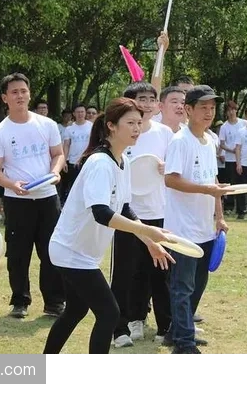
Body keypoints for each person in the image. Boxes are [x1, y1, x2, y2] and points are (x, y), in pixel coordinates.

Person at [43, 97, 175, 354]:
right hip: (70, 251)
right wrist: (146, 230)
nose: (137, 128)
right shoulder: (100, 163)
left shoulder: (122, 160)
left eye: (139, 123)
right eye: (130, 123)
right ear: (112, 126)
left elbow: (124, 208)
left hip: (83, 253)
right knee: (109, 313)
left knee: (76, 310)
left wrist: (149, 241)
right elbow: (102, 213)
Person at [0, 73, 66, 318]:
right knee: (18, 254)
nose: (20, 96)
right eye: (14, 92)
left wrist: (55, 172)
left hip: (47, 197)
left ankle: (54, 301)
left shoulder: (47, 125)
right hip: (17, 200)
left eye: (23, 91)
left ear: (29, 94)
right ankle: (20, 300)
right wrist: (11, 184)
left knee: (50, 250)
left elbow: (58, 154)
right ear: (5, 98)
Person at [164, 85, 231, 353]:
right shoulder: (180, 141)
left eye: (212, 107)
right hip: (182, 228)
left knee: (198, 285)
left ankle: (177, 332)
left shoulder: (209, 141)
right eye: (203, 107)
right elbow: (171, 179)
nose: (209, 112)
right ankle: (184, 344)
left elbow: (213, 180)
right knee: (183, 286)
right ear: (188, 110)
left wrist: (219, 217)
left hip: (204, 227)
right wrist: (206, 190)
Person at [110, 82, 174, 348]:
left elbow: (175, 168)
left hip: (158, 211)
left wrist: (166, 167)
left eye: (151, 99)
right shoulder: (121, 134)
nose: (147, 104)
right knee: (128, 272)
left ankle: (165, 325)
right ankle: (125, 324)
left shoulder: (165, 133)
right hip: (127, 214)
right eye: (141, 99)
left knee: (161, 272)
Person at [61, 104, 92, 203]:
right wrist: (64, 161)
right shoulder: (69, 128)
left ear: (85, 113)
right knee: (74, 186)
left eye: (82, 112)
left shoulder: (91, 126)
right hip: (73, 161)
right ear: (74, 114)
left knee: (88, 185)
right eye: (78, 112)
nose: (80, 114)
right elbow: (66, 145)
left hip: (89, 160)